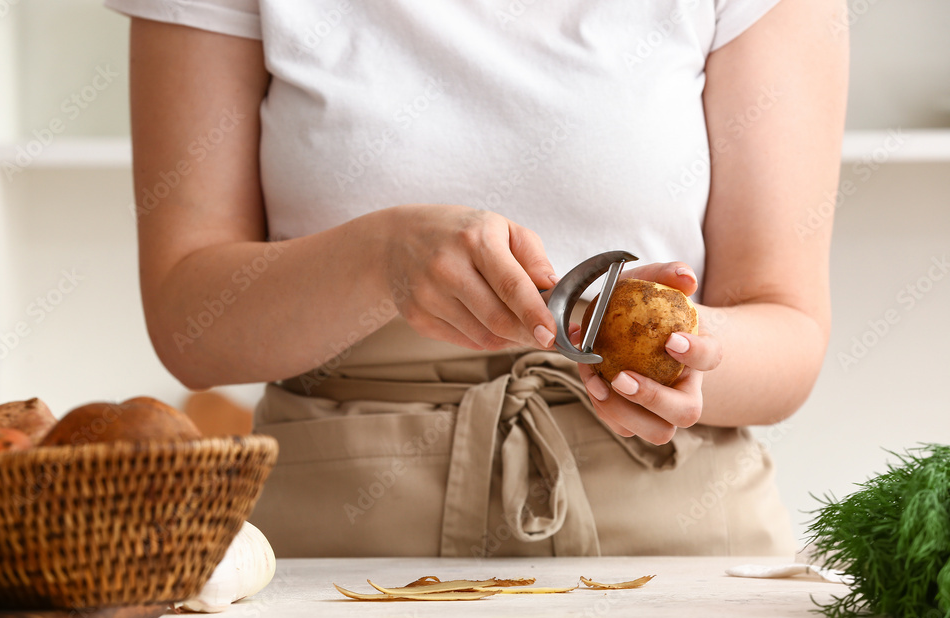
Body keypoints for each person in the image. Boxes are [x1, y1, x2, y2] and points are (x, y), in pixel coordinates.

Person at [106, 0, 848, 557]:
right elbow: (188, 319)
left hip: (672, 555)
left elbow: (787, 326)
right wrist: (379, 260)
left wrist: (685, 354)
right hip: (337, 556)